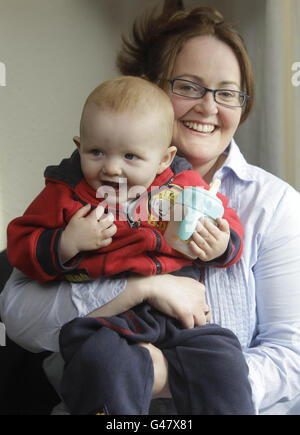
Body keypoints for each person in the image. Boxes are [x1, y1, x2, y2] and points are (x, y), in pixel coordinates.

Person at [1, 6, 300, 415]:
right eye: (189, 86)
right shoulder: (78, 186)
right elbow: (20, 317)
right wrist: (142, 288)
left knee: (220, 352)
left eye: (227, 92)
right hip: (106, 354)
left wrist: (160, 373)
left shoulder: (273, 204)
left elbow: (291, 359)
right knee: (102, 362)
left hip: (202, 360)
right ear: (151, 87)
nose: (209, 107)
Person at [6, 76, 253, 415]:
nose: (111, 167)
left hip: (177, 318)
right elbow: (21, 244)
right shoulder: (65, 195)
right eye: (96, 152)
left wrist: (221, 244)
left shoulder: (182, 187)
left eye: (131, 156)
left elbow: (225, 217)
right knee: (103, 363)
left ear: (164, 160)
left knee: (223, 356)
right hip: (107, 317)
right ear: (79, 146)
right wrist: (65, 242)